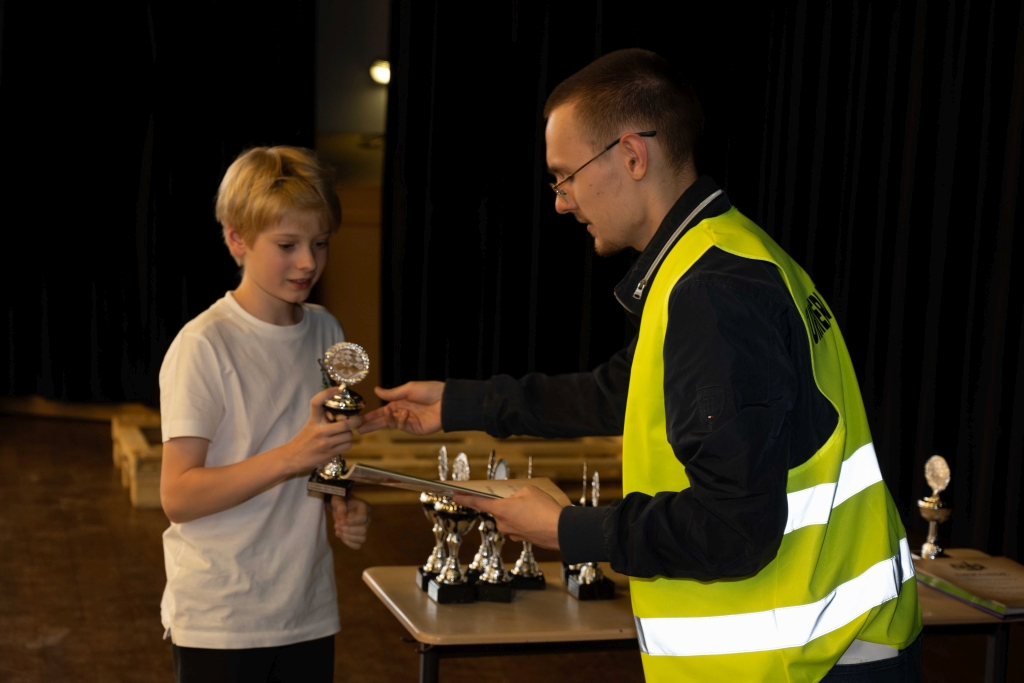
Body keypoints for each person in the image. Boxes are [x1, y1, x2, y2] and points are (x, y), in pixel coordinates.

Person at [360, 50, 922, 682]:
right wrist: (460, 404)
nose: (561, 202)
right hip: (823, 650)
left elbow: (734, 528)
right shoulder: (720, 255)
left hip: (807, 661)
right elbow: (621, 391)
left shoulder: (712, 289)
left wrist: (568, 528)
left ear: (631, 155)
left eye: (564, 176)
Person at [158, 146, 370, 683]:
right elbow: (178, 495)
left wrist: (341, 499)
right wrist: (290, 457)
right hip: (222, 616)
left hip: (305, 607)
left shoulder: (326, 330)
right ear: (237, 239)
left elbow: (320, 454)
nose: (308, 263)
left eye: (320, 243)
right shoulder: (204, 345)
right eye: (287, 245)